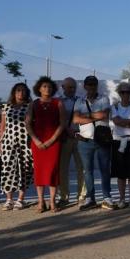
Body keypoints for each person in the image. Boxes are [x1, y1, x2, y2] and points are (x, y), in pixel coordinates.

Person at [26, 76, 67, 213]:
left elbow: (62, 123)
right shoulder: (33, 104)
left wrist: (51, 140)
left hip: (54, 143)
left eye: (49, 86)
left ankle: (52, 202)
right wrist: (36, 140)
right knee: (39, 171)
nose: (47, 89)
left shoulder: (58, 103)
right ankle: (40, 202)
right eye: (44, 86)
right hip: (37, 142)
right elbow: (28, 123)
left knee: (53, 171)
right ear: (39, 88)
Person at [74, 75, 114, 210]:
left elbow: (104, 115)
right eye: (89, 84)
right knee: (88, 171)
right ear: (85, 86)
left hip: (102, 139)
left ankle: (107, 197)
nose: (91, 87)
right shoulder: (79, 100)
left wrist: (84, 116)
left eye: (93, 84)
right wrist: (94, 115)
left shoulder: (104, 98)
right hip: (85, 140)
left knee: (105, 170)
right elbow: (75, 119)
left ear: (97, 86)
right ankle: (90, 198)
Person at [0, 83, 34, 210]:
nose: (21, 93)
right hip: (9, 142)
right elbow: (3, 127)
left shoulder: (30, 106)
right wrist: (0, 143)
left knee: (24, 169)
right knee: (8, 168)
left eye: (23, 91)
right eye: (18, 90)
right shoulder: (6, 107)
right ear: (14, 92)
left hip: (25, 142)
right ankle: (9, 199)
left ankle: (21, 199)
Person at [55, 77, 84, 207]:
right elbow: (56, 121)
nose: (71, 89)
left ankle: (81, 196)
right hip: (64, 138)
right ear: (63, 87)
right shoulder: (58, 102)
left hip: (79, 137)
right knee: (62, 169)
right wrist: (67, 130)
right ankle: (64, 196)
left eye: (73, 87)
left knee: (81, 168)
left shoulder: (81, 101)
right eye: (69, 87)